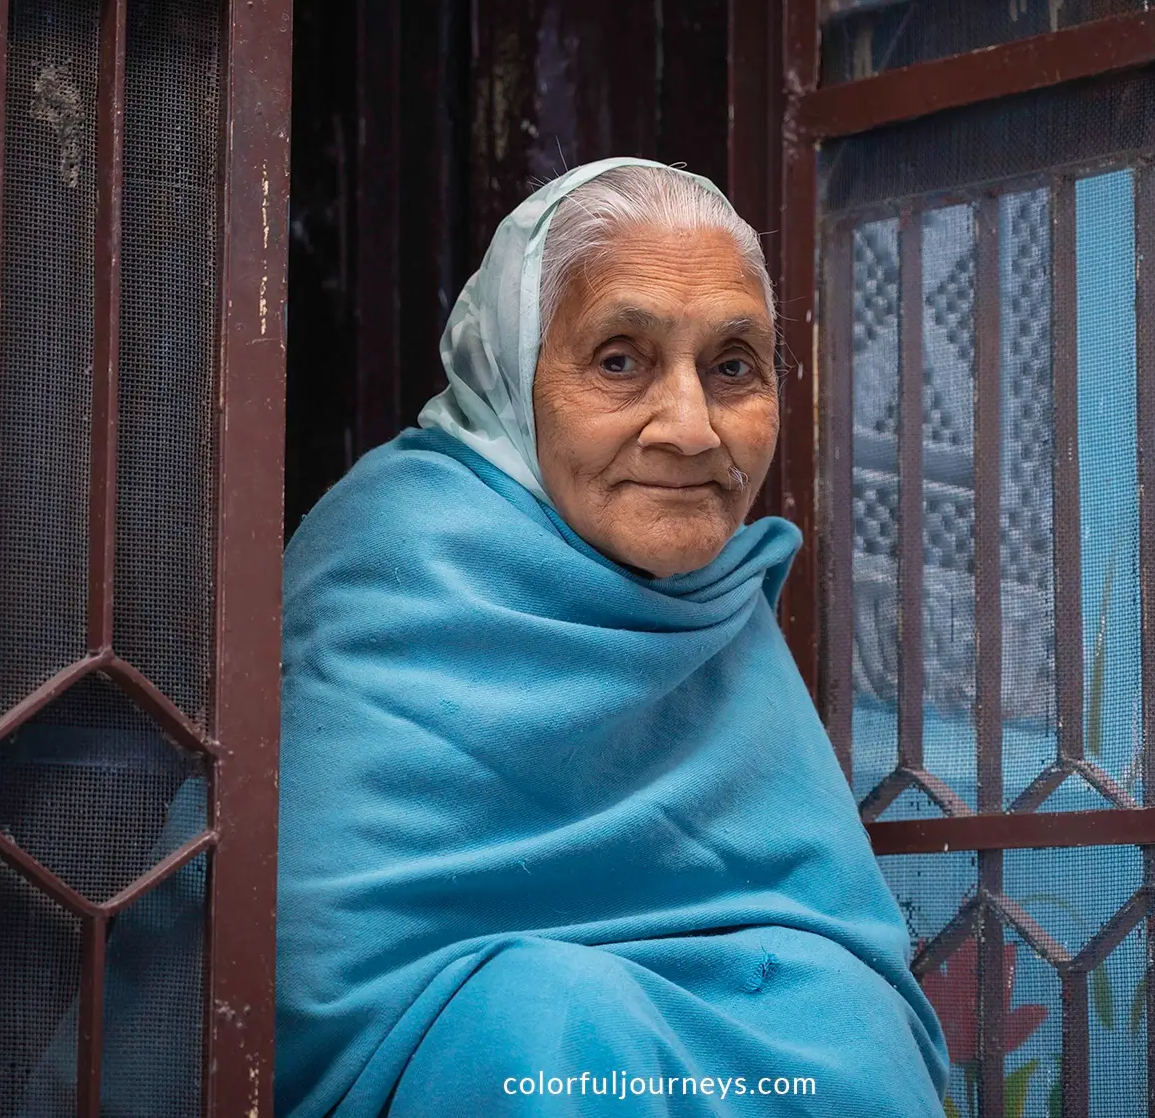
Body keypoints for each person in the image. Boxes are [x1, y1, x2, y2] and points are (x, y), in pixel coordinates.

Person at [274, 158, 949, 1117]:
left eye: (732, 367)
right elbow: (301, 977)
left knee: (851, 1024)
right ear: (511, 369)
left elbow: (808, 936)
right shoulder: (400, 554)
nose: (690, 429)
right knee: (547, 1026)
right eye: (620, 359)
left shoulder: (716, 599)